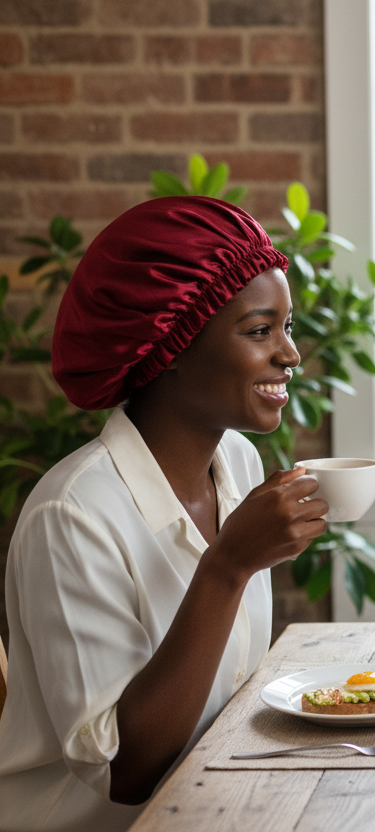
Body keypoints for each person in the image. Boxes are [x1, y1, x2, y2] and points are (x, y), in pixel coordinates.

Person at [0, 197, 329, 831]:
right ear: (171, 342)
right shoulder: (71, 515)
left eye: (287, 328)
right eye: (262, 331)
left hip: (212, 809)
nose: (291, 355)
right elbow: (126, 774)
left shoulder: (238, 463)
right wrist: (228, 564)